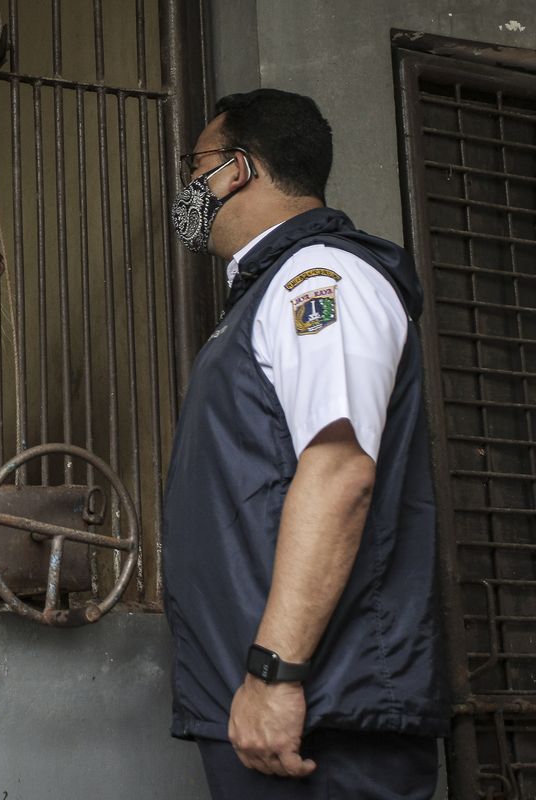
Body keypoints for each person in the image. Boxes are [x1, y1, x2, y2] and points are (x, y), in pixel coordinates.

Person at [161, 88, 449, 799]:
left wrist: (275, 673)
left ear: (235, 170)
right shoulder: (264, 295)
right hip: (272, 715)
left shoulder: (320, 278)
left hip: (321, 717)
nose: (188, 187)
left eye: (194, 166)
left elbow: (340, 472)